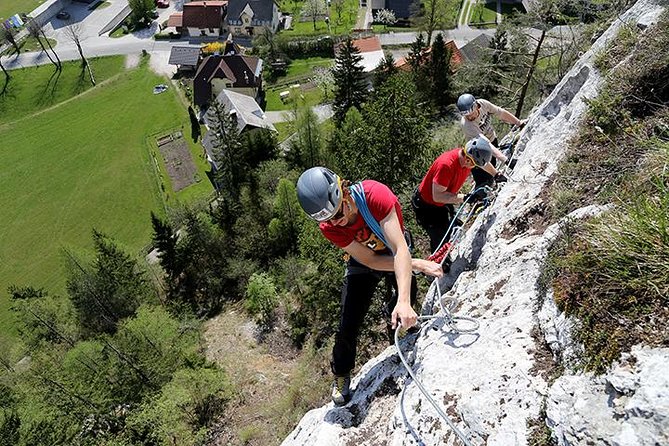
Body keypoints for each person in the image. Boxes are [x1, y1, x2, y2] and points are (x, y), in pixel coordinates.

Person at [296, 167, 443, 406]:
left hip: (393, 248)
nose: (337, 221)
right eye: (329, 219)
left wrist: (403, 300)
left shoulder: (376, 196)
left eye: (338, 212)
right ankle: (341, 374)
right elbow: (369, 260)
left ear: (344, 191)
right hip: (365, 259)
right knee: (348, 321)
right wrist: (417, 264)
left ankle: (399, 326)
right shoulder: (330, 227)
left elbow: (399, 250)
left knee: (407, 291)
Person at [412, 137, 493, 254]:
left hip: (442, 201)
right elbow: (438, 196)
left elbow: (482, 164)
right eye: (474, 165)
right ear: (468, 160)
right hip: (427, 206)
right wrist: (465, 197)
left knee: (449, 228)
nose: (475, 168)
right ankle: (439, 266)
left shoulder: (467, 158)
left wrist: (496, 174)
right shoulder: (446, 166)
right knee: (439, 236)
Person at [457, 93, 524, 187]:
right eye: (466, 116)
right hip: (477, 152)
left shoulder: (483, 104)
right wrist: (506, 160)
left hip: (492, 139)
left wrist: (519, 123)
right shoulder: (467, 125)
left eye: (471, 114)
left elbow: (500, 113)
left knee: (493, 168)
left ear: (476, 106)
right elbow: (485, 143)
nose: (470, 118)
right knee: (485, 180)